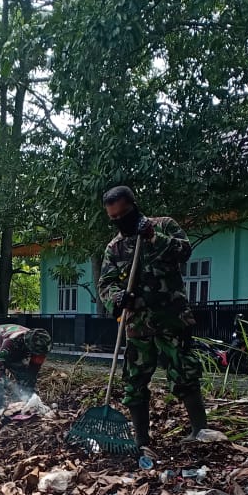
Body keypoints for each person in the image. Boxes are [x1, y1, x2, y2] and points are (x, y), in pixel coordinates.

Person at [97, 185, 208, 445]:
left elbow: (185, 251)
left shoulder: (164, 226)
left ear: (133, 207)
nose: (118, 222)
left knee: (185, 374)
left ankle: (200, 432)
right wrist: (117, 297)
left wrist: (151, 237)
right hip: (138, 324)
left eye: (123, 215)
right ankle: (142, 441)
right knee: (134, 382)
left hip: (172, 318)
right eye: (112, 218)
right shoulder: (115, 248)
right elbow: (106, 283)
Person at [0, 324, 52, 409]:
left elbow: (32, 372)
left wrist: (29, 393)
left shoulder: (42, 346)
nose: (38, 355)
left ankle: (25, 405)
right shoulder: (10, 342)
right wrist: (13, 387)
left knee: (24, 376)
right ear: (28, 345)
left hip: (15, 349)